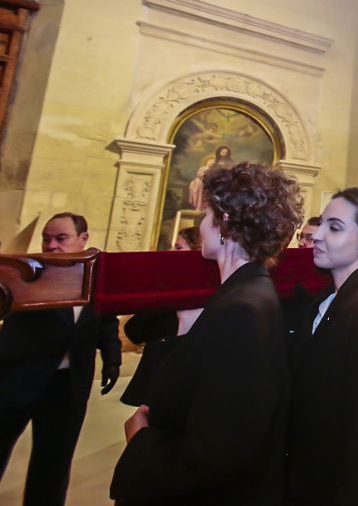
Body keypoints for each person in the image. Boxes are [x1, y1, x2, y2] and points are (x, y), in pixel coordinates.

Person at [110, 163, 302, 505]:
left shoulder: (243, 308)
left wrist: (141, 442)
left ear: (225, 221)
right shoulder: (243, 293)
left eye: (206, 214)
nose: (200, 225)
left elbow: (219, 449)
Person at [0, 213, 122, 506]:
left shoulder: (97, 278)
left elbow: (105, 322)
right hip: (17, 382)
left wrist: (112, 359)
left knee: (52, 467)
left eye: (60, 238)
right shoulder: (26, 273)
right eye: (47, 238)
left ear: (83, 239)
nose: (51, 245)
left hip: (67, 388)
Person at [287, 188, 358, 505]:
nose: (318, 235)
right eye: (321, 223)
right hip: (307, 475)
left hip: (335, 485)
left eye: (334, 227)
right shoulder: (326, 300)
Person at [120, 227, 202, 408]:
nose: (171, 253)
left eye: (179, 248)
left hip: (175, 381)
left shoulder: (189, 294)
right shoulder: (170, 289)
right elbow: (134, 330)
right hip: (158, 377)